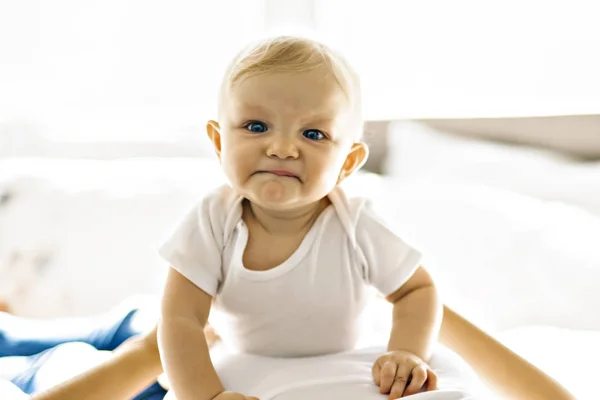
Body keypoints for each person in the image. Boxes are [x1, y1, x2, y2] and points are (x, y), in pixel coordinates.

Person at [158, 35, 441, 400]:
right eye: (256, 126)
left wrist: (407, 351)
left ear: (348, 163)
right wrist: (207, 395)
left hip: (339, 366)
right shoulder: (213, 221)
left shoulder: (354, 224)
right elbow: (180, 319)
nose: (282, 149)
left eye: (313, 134)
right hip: (243, 370)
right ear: (218, 142)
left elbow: (417, 290)